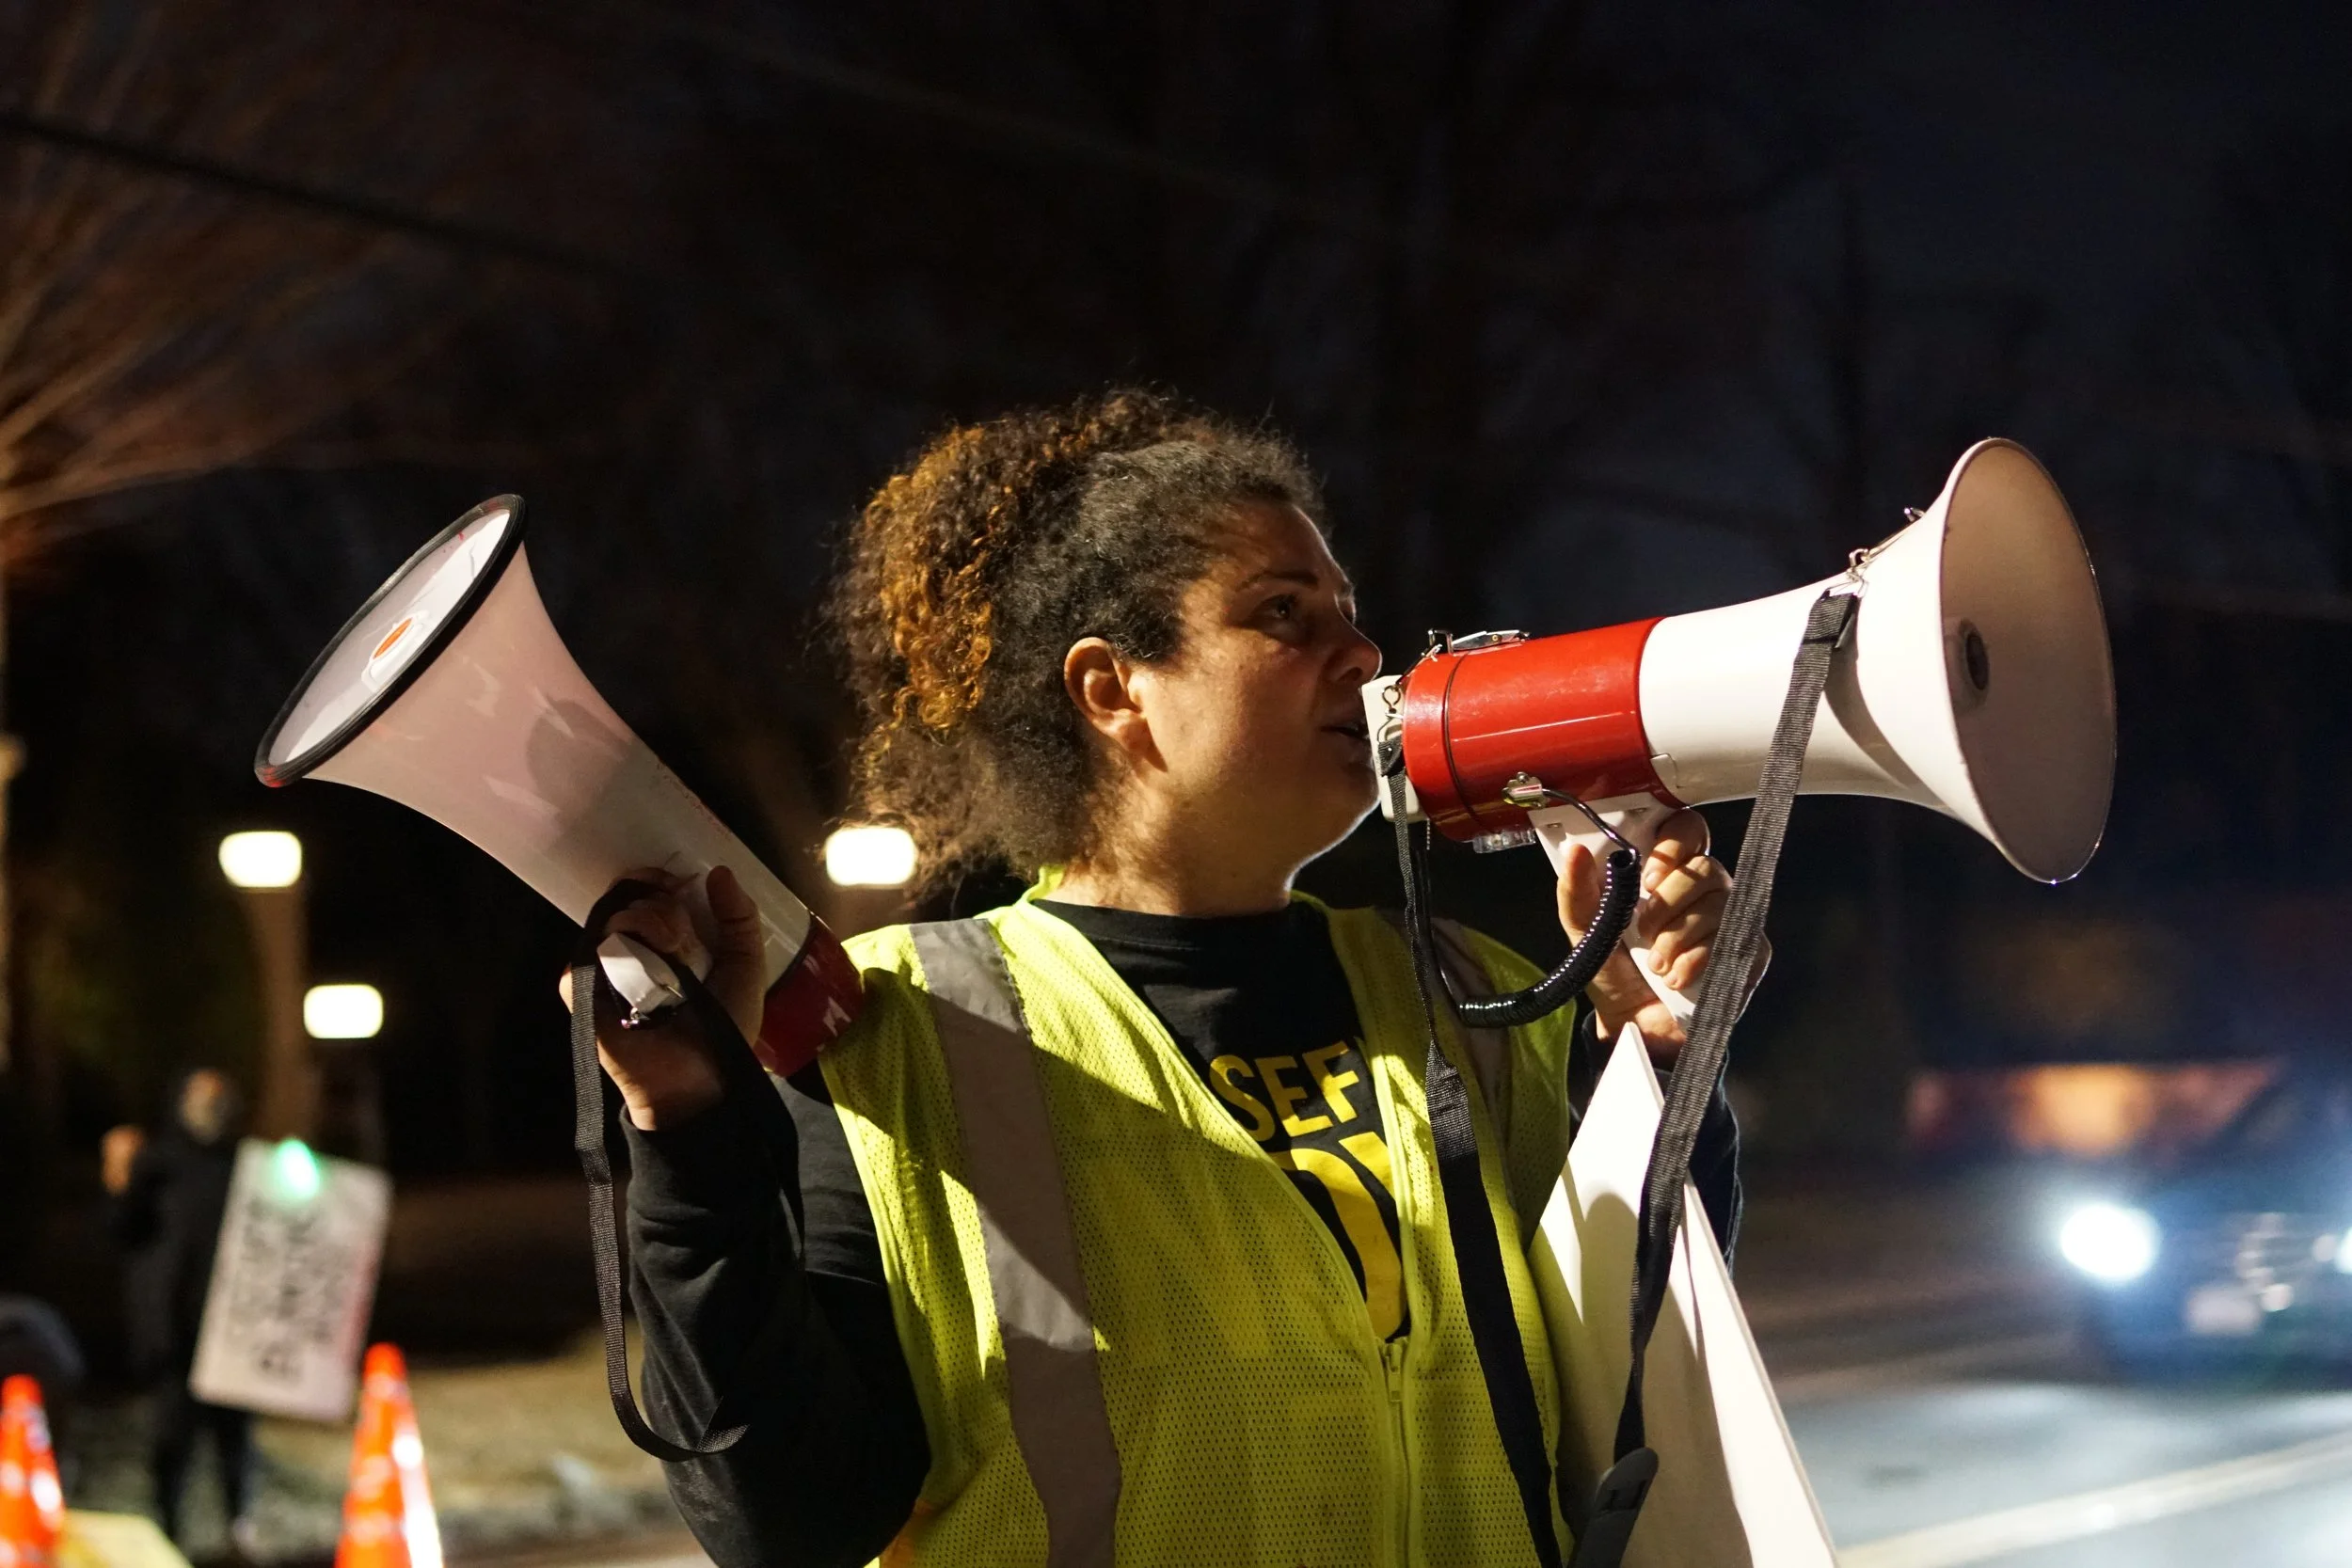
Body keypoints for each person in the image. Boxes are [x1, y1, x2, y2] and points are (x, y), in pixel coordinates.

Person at [590, 391, 1747, 1568]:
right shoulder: (892, 1032)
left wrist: (1648, 1051)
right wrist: (690, 1139)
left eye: (1351, 615)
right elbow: (791, 1518)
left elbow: (1640, 1357)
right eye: (1282, 615)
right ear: (1112, 689)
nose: (1360, 655)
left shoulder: (1483, 994)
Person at [103, 1069, 256, 1552]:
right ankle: (168, 1531)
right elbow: (120, 1232)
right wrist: (119, 1180)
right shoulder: (157, 1164)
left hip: (230, 1326)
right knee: (172, 1438)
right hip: (174, 1331)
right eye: (200, 1096)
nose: (210, 1107)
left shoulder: (242, 1162)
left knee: (233, 1436)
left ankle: (238, 1527)